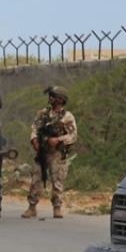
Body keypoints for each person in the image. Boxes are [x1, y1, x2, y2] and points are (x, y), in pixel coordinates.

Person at [22, 86, 78, 219]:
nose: (50, 98)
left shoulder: (67, 117)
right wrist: (34, 139)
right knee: (36, 178)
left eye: (53, 96)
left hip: (56, 153)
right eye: (50, 95)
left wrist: (58, 139)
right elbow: (34, 127)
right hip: (42, 150)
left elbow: (73, 135)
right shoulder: (43, 113)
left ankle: (57, 208)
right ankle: (32, 207)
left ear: (61, 99)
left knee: (57, 180)